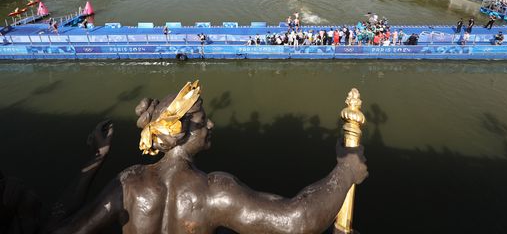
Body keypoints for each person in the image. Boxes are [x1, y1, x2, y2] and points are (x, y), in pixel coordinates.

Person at [50, 84, 368, 234]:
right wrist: (345, 170)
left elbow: (65, 230)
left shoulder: (128, 183)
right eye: (204, 120)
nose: (211, 124)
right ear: (183, 131)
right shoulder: (214, 191)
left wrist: (97, 157)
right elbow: (296, 221)